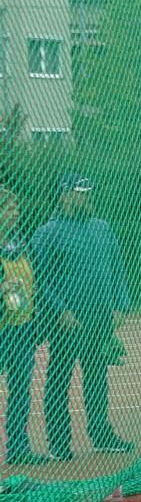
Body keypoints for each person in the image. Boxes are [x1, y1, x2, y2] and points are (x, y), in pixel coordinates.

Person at [31, 174, 132, 460]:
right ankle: (59, 442)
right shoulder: (48, 232)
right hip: (67, 322)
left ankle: (101, 435)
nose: (86, 197)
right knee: (59, 379)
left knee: (97, 377)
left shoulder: (102, 228)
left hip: (100, 318)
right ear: (65, 195)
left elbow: (117, 269)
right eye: (80, 192)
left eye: (88, 192)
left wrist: (121, 306)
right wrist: (60, 310)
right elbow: (40, 278)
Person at [0, 186, 41, 467]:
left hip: (21, 327)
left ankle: (18, 446)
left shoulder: (19, 241)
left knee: (20, 388)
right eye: (8, 208)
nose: (15, 213)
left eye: (15, 208)